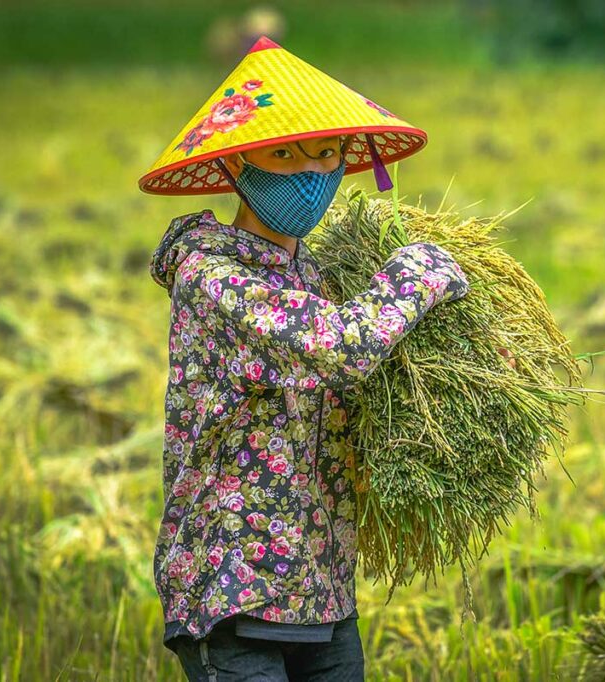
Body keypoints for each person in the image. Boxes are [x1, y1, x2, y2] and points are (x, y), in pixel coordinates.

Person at [138, 36, 470, 681]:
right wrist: (419, 275)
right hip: (232, 585)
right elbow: (341, 348)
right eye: (284, 152)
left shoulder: (317, 276)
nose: (310, 170)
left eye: (325, 153)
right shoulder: (212, 274)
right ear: (237, 164)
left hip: (322, 589)